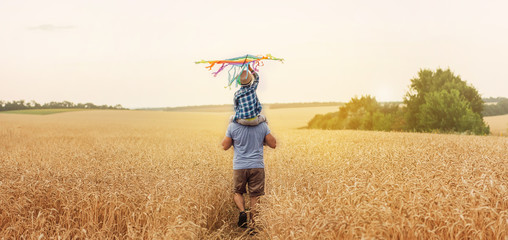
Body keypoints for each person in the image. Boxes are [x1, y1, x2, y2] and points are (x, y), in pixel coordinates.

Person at [222, 120, 276, 229]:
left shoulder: (233, 125)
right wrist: (265, 129)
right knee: (254, 195)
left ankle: (242, 212)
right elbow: (273, 144)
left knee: (238, 192)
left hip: (239, 166)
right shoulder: (262, 125)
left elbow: (225, 146)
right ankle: (253, 224)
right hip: (257, 166)